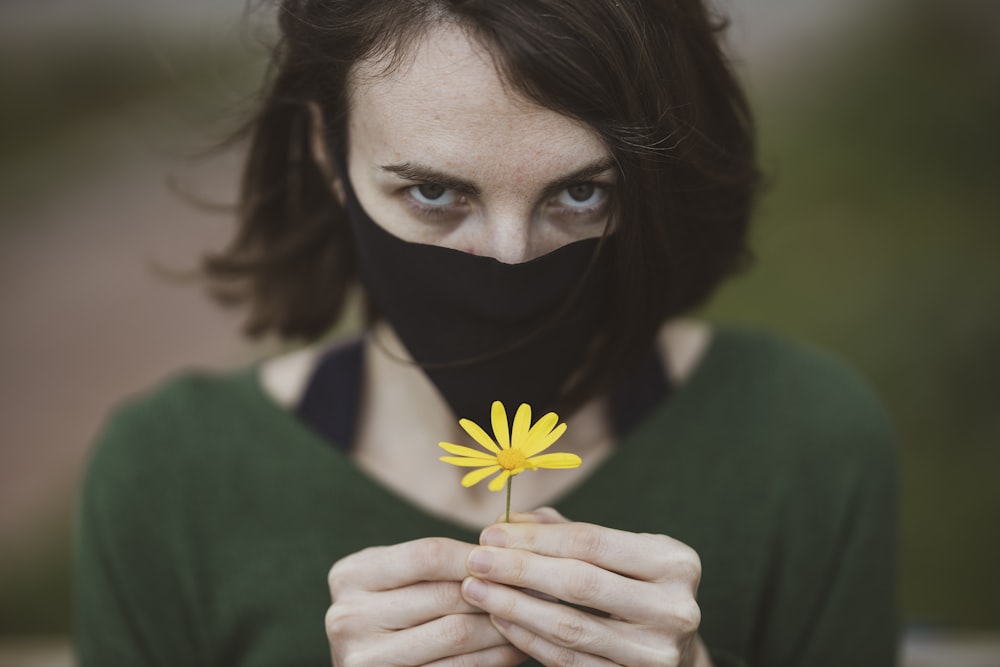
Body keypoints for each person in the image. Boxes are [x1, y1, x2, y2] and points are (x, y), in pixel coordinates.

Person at [75, 1, 898, 665]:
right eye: (434, 192)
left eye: (581, 194)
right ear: (329, 150)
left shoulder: (803, 439)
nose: (509, 260)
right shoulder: (170, 478)